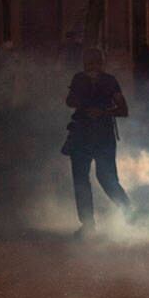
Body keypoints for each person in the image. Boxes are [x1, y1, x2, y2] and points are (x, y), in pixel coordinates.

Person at [62, 47, 130, 236]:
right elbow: (70, 101)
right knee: (90, 179)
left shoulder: (107, 81)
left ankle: (128, 214)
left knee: (98, 179)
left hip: (96, 135)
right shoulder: (84, 79)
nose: (93, 65)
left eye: (94, 61)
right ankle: (95, 223)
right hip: (89, 135)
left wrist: (100, 112)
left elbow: (123, 110)